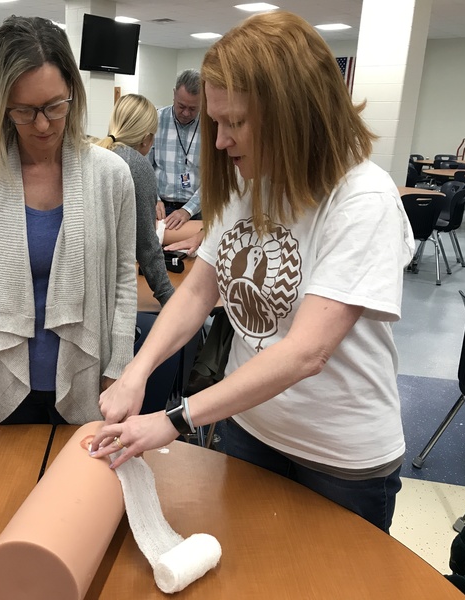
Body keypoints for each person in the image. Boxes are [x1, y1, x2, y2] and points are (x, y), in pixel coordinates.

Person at [91, 10, 415, 533]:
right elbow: (197, 292)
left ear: (294, 114)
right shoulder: (251, 185)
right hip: (251, 429)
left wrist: (176, 419)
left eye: (234, 122)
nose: (218, 141)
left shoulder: (363, 199)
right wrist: (136, 372)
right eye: (215, 122)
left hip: (339, 460)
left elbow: (306, 352)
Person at [0, 16, 137, 456]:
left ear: (73, 94)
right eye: (24, 111)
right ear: (1, 104)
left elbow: (124, 281)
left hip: (88, 382)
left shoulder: (112, 176)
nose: (43, 125)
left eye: (55, 106)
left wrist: (119, 367)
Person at [96, 94, 174, 307]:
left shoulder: (94, 154)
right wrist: (169, 297)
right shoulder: (137, 165)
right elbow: (147, 245)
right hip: (107, 290)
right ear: (147, 138)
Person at [149, 69, 202, 231]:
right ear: (174, 94)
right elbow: (145, 168)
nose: (186, 113)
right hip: (160, 207)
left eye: (193, 109)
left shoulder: (213, 127)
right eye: (181, 106)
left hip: (196, 209)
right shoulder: (155, 121)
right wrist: (154, 199)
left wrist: (187, 210)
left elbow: (215, 179)